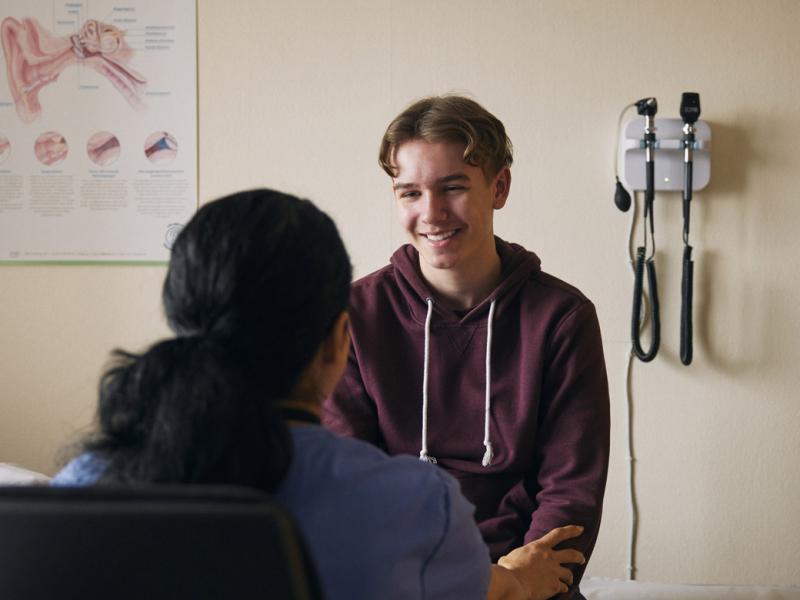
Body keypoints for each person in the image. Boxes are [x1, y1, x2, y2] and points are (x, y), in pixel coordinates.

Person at [52, 188, 586, 600]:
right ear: (338, 338)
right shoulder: (415, 504)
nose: (433, 212)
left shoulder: (80, 491)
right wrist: (515, 580)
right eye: (410, 191)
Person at [322, 96, 611, 598]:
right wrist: (486, 585)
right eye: (409, 192)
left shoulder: (563, 318)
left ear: (499, 187)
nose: (430, 213)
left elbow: (570, 494)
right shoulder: (354, 316)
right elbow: (350, 494)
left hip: (531, 583)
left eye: (452, 187)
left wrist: (518, 585)